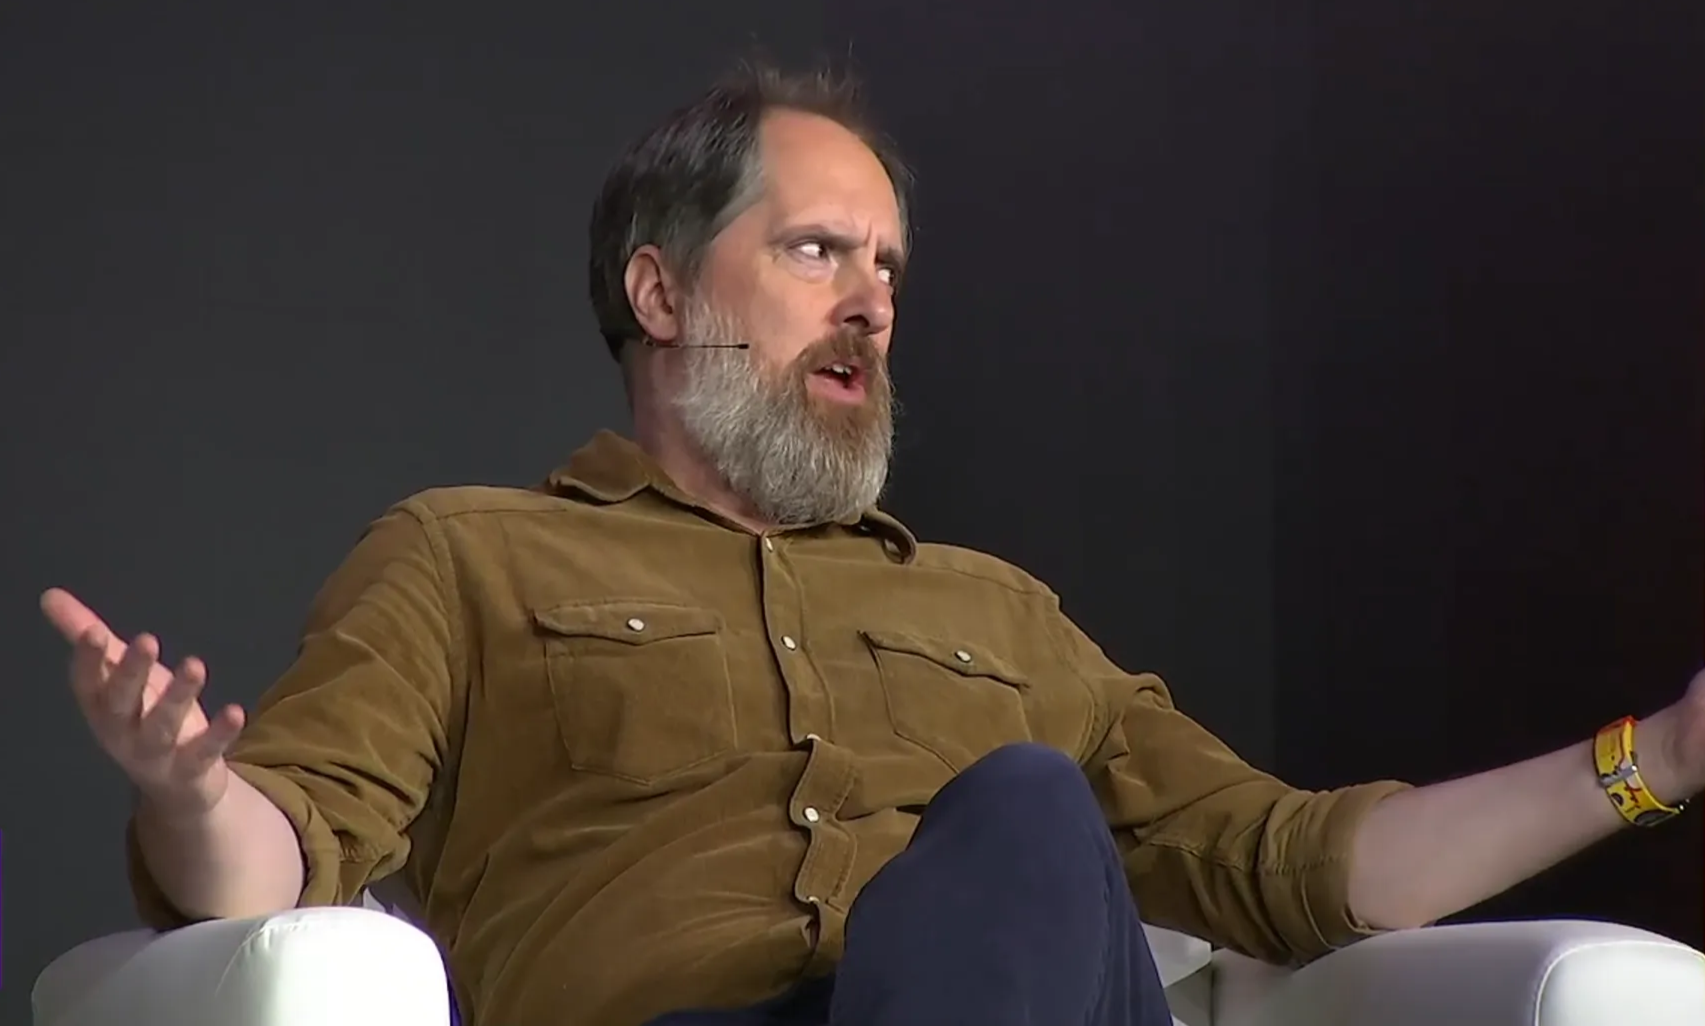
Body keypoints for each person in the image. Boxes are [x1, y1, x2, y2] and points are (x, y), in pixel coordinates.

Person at [41, 61, 1705, 1026]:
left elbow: (1300, 863)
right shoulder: (469, 560)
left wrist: (1660, 762)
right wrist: (193, 791)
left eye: (891, 267)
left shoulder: (994, 610)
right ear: (661, 288)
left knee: (1034, 807)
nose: (873, 301)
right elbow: (281, 867)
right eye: (821, 247)